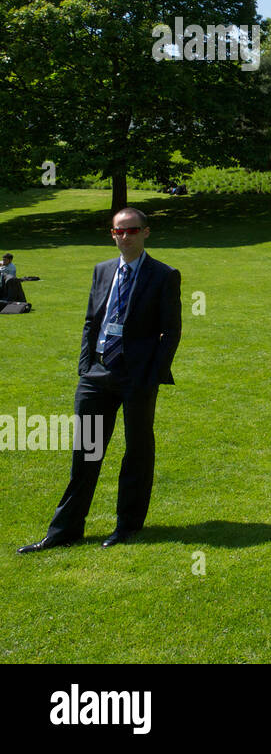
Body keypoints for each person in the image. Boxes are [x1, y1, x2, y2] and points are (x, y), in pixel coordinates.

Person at [19, 207, 182, 553]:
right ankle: (65, 530)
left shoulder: (164, 275)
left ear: (146, 232)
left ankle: (127, 526)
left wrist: (153, 374)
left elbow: (171, 331)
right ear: (112, 235)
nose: (126, 237)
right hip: (96, 374)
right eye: (119, 231)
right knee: (86, 452)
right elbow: (92, 321)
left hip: (136, 377)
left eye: (132, 230)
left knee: (137, 451)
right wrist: (84, 366)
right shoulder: (102, 270)